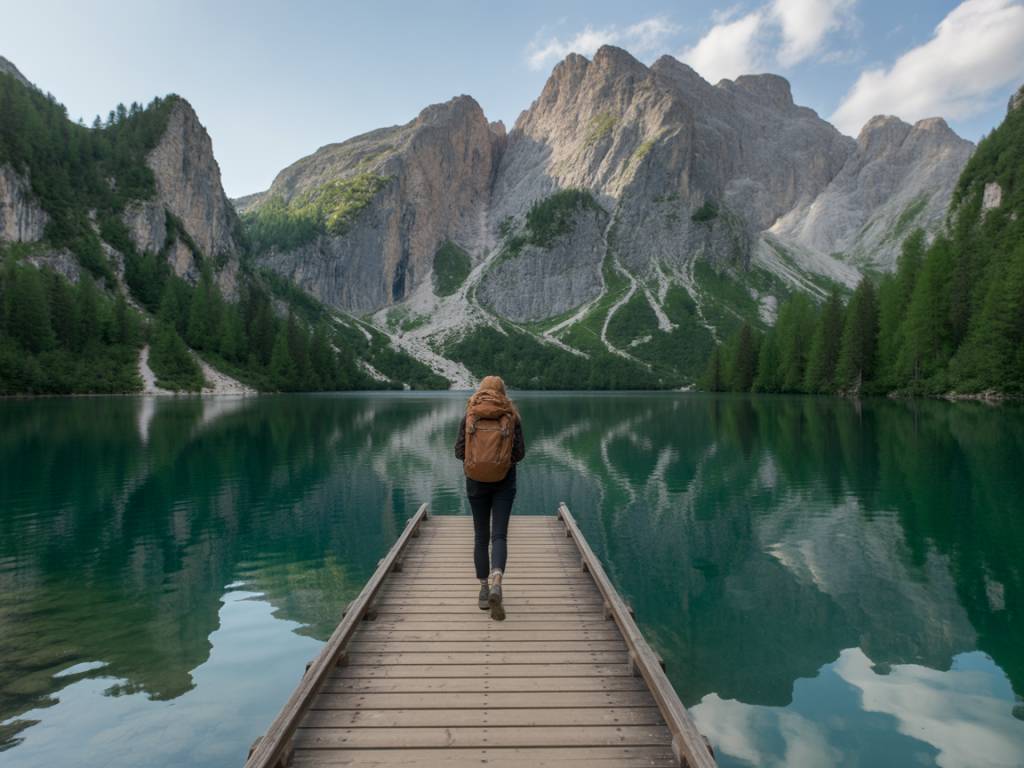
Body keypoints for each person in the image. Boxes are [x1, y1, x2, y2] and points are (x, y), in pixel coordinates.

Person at [454, 375, 525, 621]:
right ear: (503, 392)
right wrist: (501, 463)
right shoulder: (511, 416)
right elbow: (520, 453)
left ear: (481, 391)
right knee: (499, 535)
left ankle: (484, 591)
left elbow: (458, 451)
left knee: (480, 536)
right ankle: (497, 581)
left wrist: (478, 462)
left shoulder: (470, 415)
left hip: (475, 483)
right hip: (505, 483)